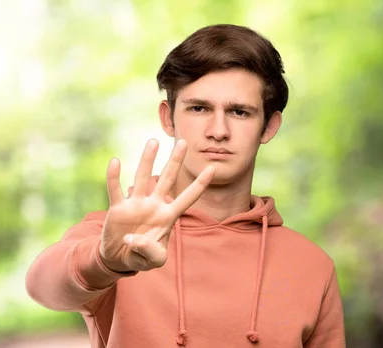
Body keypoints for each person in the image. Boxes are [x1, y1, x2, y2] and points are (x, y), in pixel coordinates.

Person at [26, 24, 346, 347]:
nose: (218, 130)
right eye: (199, 108)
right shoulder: (122, 235)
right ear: (168, 118)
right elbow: (40, 284)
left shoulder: (313, 266)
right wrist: (104, 261)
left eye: (238, 112)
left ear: (269, 126)